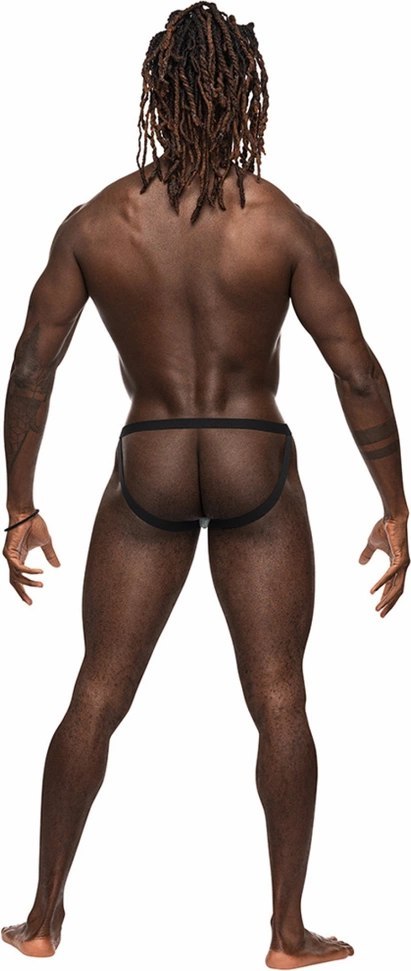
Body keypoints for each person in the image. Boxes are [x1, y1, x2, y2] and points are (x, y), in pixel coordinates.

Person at [1, 2, 409, 966]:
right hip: (250, 455)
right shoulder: (281, 223)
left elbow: (32, 366)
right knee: (278, 696)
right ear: (245, 96)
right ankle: (286, 933)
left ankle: (43, 916)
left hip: (147, 455)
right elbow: (355, 371)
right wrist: (394, 504)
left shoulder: (96, 221)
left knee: (96, 690)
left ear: (157, 92)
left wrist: (19, 502)